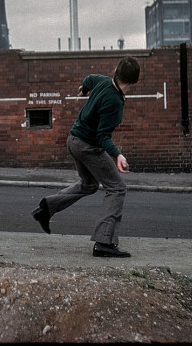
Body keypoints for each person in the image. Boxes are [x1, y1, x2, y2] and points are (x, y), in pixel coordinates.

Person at [31, 56, 140, 258]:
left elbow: (89, 78)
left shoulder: (103, 81)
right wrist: (118, 155)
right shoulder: (114, 102)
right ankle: (104, 242)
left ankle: (46, 208)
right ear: (134, 81)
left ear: (116, 70)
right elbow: (102, 136)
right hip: (88, 146)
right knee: (117, 187)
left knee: (89, 184)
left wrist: (84, 88)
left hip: (73, 140)